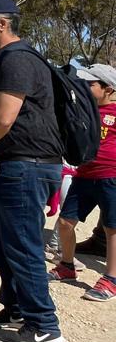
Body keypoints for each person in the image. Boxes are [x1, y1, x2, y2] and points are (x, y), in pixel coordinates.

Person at [0, 0, 65, 342]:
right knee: (0, 239)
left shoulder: (18, 59)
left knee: (22, 246)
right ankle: (18, 308)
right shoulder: (3, 58)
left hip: (28, 166)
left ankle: (44, 326)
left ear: (2, 23)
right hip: (12, 165)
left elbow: (6, 116)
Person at [47, 63, 116, 302]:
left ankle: (111, 278)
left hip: (111, 177)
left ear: (108, 88)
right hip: (84, 175)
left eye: (91, 84)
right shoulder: (86, 110)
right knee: (66, 222)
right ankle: (67, 266)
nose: (85, 87)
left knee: (112, 228)